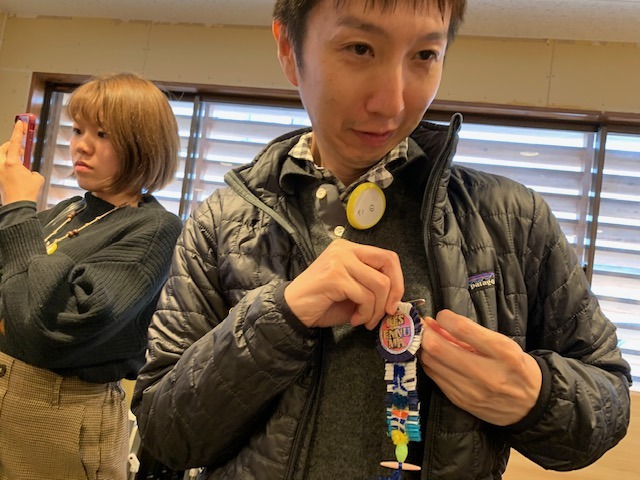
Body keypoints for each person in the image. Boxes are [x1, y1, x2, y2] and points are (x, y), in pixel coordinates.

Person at [131, 0, 632, 479]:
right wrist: (281, 318)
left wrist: (536, 397)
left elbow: (607, 400)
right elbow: (165, 433)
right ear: (288, 49)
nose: (392, 103)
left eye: (425, 55)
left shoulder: (512, 221)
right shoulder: (220, 224)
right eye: (360, 49)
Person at [0, 73, 183, 480]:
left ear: (142, 145)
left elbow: (52, 328)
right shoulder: (68, 210)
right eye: (78, 130)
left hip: (61, 418)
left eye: (102, 134)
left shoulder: (154, 227)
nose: (81, 145)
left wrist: (17, 207)